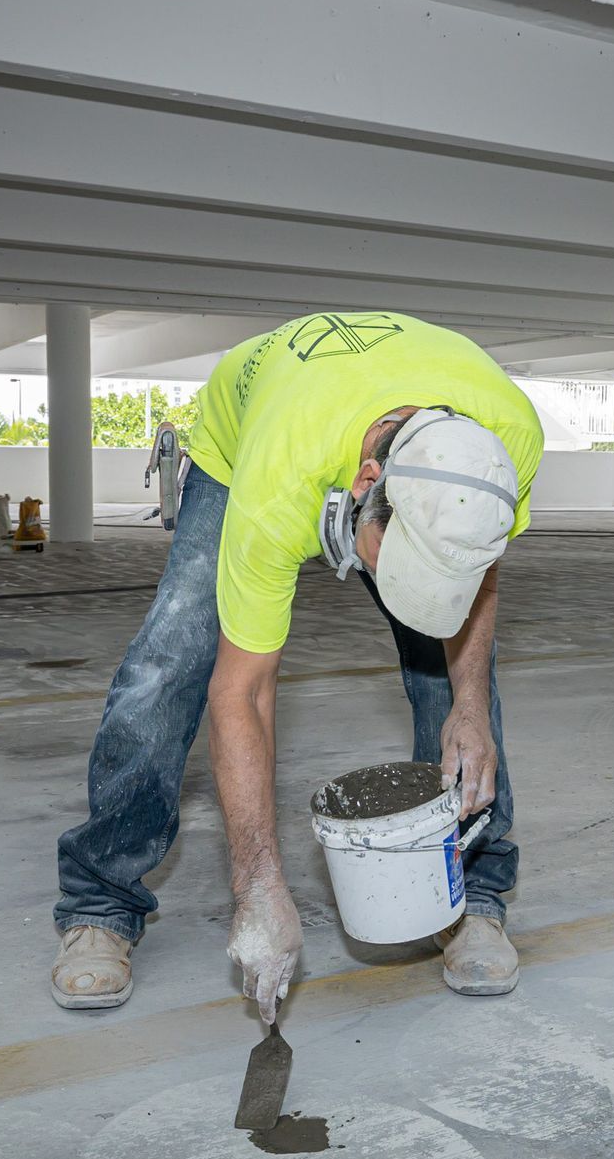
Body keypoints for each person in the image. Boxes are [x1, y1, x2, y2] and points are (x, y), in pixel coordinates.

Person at [49, 312, 543, 1023]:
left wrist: (468, 709)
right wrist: (257, 887)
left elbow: (479, 572)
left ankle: (473, 892)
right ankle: (100, 900)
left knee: (458, 675)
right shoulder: (282, 475)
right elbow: (242, 693)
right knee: (171, 662)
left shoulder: (506, 447)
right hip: (246, 440)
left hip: (367, 426)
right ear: (367, 484)